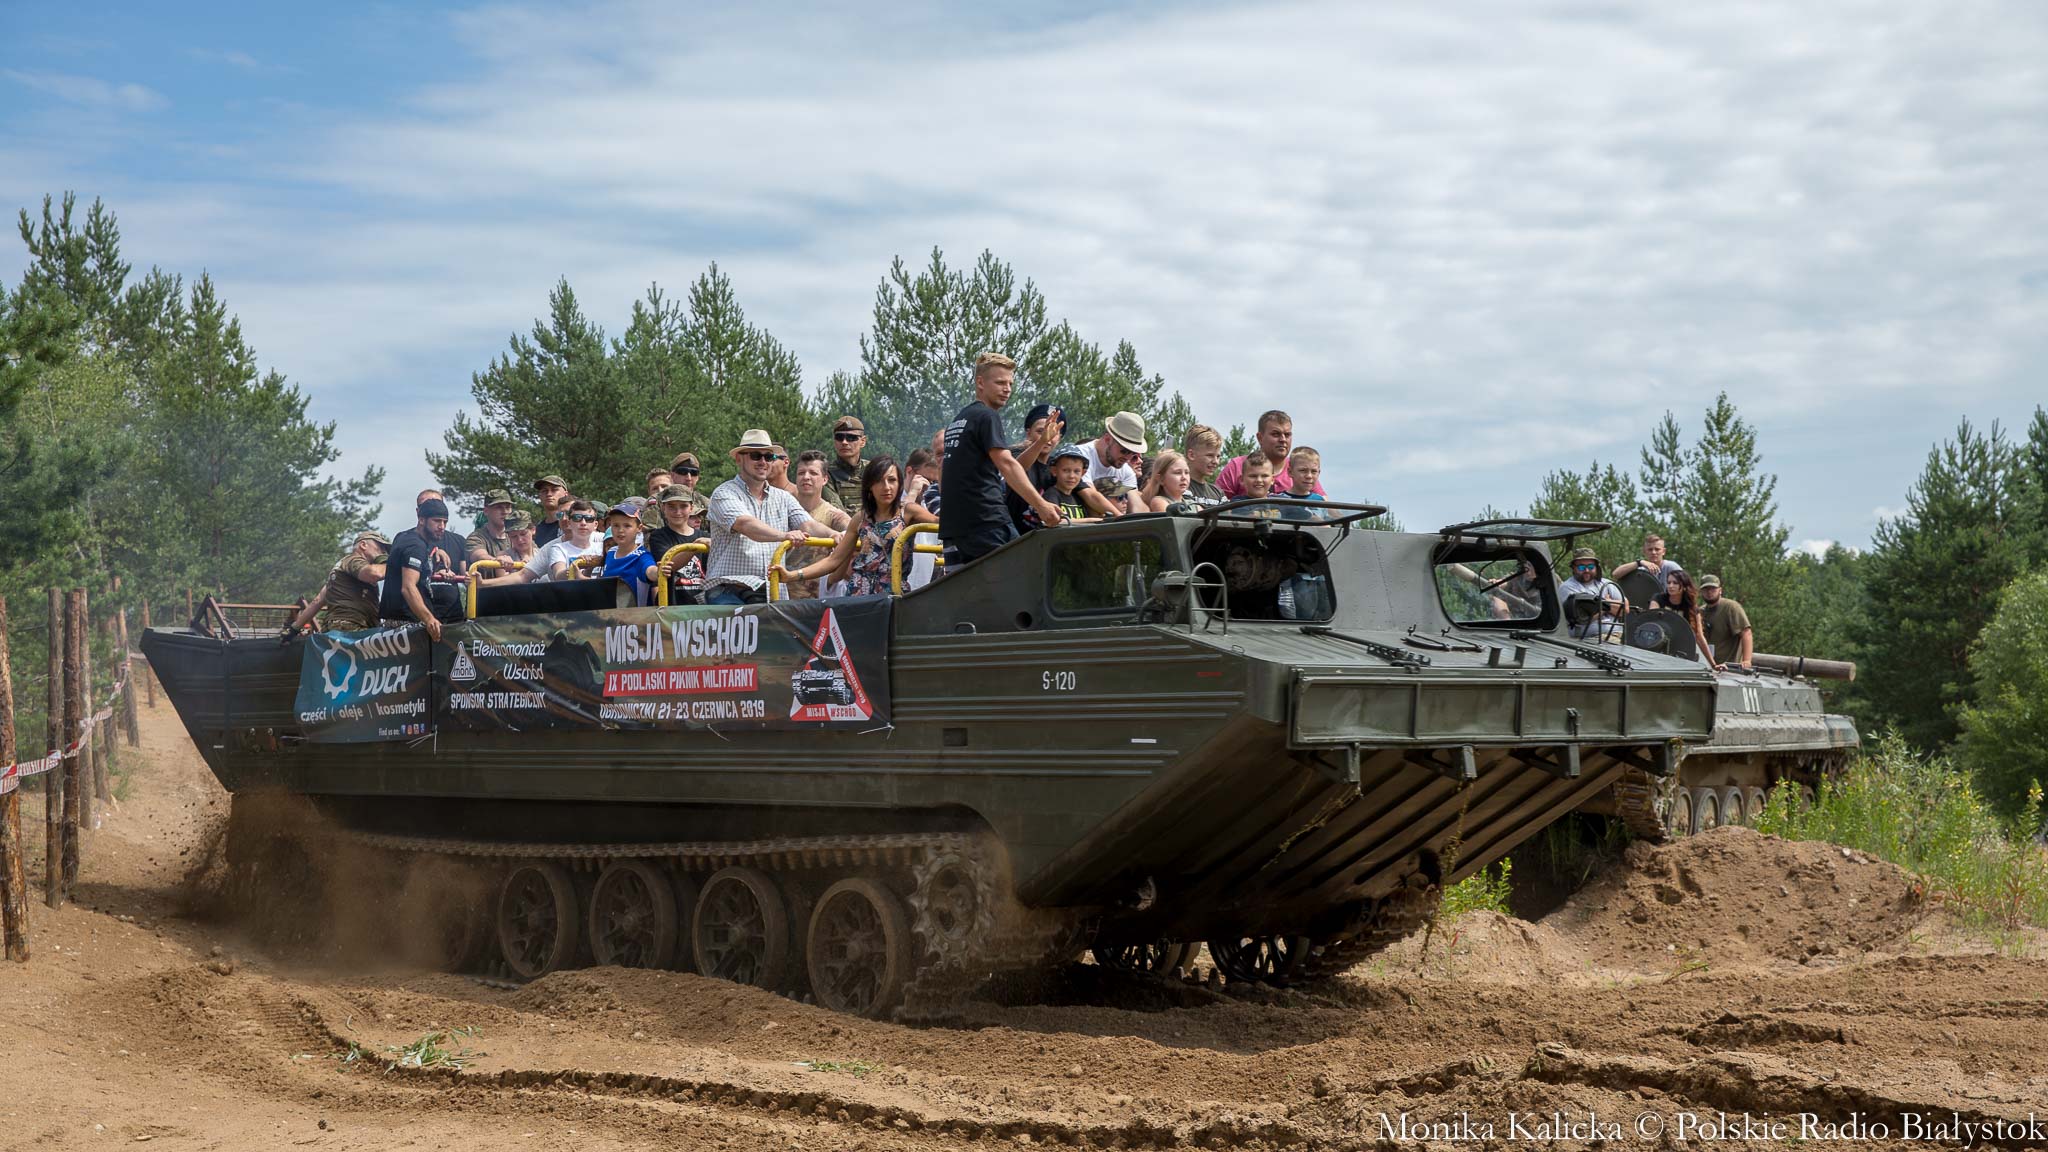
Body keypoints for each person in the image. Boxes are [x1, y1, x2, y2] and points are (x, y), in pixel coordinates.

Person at [938, 352, 1064, 566]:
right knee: (1023, 586)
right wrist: (1041, 505)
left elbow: (1011, 467)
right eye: (1000, 382)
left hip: (956, 530)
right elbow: (1007, 465)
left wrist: (1041, 441)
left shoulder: (960, 419)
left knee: (965, 597)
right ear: (980, 382)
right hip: (986, 523)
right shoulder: (987, 416)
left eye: (1010, 383)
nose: (1007, 389)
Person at [705, 429, 842, 605]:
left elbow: (808, 524)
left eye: (768, 457)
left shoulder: (783, 497)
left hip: (771, 591)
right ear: (739, 458)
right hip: (729, 590)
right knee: (741, 629)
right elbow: (746, 525)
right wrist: (784, 535)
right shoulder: (723, 493)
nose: (763, 462)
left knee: (783, 631)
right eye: (756, 455)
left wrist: (833, 534)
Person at [779, 456, 920, 598]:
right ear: (869, 486)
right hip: (859, 597)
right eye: (879, 481)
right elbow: (833, 560)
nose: (886, 487)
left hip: (895, 595)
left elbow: (938, 523)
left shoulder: (909, 512)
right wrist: (792, 575)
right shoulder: (860, 518)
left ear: (900, 484)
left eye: (892, 480)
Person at [380, 498, 466, 639]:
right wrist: (429, 619)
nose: (442, 526)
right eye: (437, 521)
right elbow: (408, 587)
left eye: (445, 522)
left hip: (399, 623)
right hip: (406, 624)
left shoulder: (405, 537)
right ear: (421, 520)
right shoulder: (415, 546)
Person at [287, 530, 390, 636]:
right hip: (351, 627)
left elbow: (317, 601)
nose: (383, 552)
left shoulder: (340, 569)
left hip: (339, 626)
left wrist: (294, 629)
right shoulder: (354, 561)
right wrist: (391, 564)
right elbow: (375, 574)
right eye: (380, 547)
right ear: (363, 545)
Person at [487, 499, 602, 585]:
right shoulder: (553, 548)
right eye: (560, 515)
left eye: (587, 518)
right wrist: (482, 583)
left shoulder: (604, 542)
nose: (564, 519)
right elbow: (523, 576)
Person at [1217, 410, 1327, 498]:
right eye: (1276, 434)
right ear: (1260, 437)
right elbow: (1217, 502)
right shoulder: (1237, 466)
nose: (1283, 439)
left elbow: (1324, 507)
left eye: (1287, 435)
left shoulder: (1299, 468)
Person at [788, 451, 854, 598]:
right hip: (780, 596)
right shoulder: (782, 507)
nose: (806, 477)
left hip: (818, 600)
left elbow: (853, 530)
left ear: (825, 479)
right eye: (801, 473)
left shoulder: (833, 515)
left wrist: (841, 536)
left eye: (813, 473)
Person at [1073, 411, 1149, 514]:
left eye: (1132, 453)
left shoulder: (1126, 471)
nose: (1127, 457)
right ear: (1108, 439)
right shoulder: (1080, 455)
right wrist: (1119, 517)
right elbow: (1090, 495)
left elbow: (1137, 507)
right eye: (1124, 451)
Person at [647, 485, 708, 604]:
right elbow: (668, 564)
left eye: (683, 506)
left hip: (702, 607)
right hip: (671, 605)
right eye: (671, 506)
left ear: (691, 508)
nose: (678, 512)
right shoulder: (658, 536)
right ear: (663, 508)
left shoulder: (706, 536)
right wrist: (695, 547)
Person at [599, 502, 660, 605]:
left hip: (637, 618)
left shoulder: (642, 556)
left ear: (639, 528)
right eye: (616, 525)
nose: (620, 530)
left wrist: (659, 572)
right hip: (611, 617)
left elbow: (651, 571)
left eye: (627, 526)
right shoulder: (611, 552)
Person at [1558, 547, 1624, 641]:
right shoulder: (1568, 587)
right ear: (1573, 568)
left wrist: (1599, 605)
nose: (1586, 570)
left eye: (1590, 567)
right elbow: (1582, 618)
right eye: (1581, 567)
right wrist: (1607, 605)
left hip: (1614, 635)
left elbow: (1624, 609)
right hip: (1585, 638)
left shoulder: (1607, 584)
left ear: (1596, 567)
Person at [1025, 446, 1101, 527]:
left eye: (1076, 471)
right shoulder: (1051, 494)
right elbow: (1055, 521)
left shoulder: (1078, 497)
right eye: (1066, 470)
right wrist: (1090, 520)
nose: (1071, 476)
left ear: (1083, 473)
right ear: (1054, 471)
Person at [1656, 569, 1714, 664]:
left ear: (1684, 586)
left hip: (1683, 648)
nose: (1670, 586)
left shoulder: (1691, 607)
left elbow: (1699, 636)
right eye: (1669, 582)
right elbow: (1650, 621)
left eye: (1675, 583)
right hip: (1659, 645)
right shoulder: (1659, 600)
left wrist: (1712, 663)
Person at [1612, 533, 1682, 610]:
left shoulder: (1671, 567)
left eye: (1657, 549)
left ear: (1663, 551)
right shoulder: (1642, 570)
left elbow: (1685, 585)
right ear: (1644, 551)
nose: (1653, 552)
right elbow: (1615, 574)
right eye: (1650, 549)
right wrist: (1639, 563)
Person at [1698, 574, 1753, 669]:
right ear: (1701, 592)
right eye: (1706, 589)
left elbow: (1746, 633)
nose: (1709, 592)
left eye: (1713, 589)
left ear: (1720, 590)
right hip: (1707, 666)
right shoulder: (1700, 612)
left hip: (1729, 668)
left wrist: (1747, 660)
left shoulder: (1731, 607)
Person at [826, 416, 868, 510]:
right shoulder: (825, 473)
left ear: (863, 441)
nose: (844, 442)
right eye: (839, 437)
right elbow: (835, 511)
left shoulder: (873, 470)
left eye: (851, 438)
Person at [464, 489, 518, 562]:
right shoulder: (476, 538)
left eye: (508, 507)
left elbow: (533, 552)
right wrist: (497, 561)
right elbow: (480, 556)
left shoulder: (518, 535)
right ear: (486, 511)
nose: (505, 512)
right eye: (499, 507)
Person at [1182, 425, 1227, 507]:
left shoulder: (1218, 493)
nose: (1215, 461)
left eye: (1218, 456)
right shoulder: (1181, 487)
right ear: (1191, 455)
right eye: (1210, 455)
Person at [532, 474, 572, 548]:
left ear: (566, 494)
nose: (549, 494)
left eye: (554, 490)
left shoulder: (575, 523)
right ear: (539, 496)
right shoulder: (536, 530)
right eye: (544, 491)